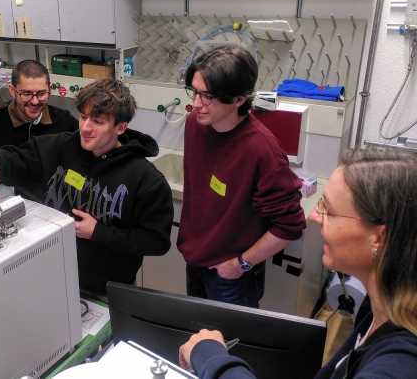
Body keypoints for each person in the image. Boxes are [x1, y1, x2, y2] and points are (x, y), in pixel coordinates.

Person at [178, 148, 417, 379]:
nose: (314, 216)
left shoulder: (401, 363)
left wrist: (210, 357)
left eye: (329, 210)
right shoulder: (380, 305)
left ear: (378, 237)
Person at [0, 79, 173, 294]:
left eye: (98, 121)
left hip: (105, 290)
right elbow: (12, 157)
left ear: (120, 127)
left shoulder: (146, 179)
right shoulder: (59, 147)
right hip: (48, 272)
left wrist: (98, 232)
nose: (85, 128)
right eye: (83, 117)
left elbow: (156, 241)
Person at [178, 44, 306, 308]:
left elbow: (290, 226)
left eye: (208, 96)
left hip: (230, 276)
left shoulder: (261, 149)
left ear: (238, 99)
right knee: (199, 335)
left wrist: (241, 263)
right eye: (194, 91)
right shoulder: (195, 124)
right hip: (195, 258)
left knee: (230, 346)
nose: (196, 103)